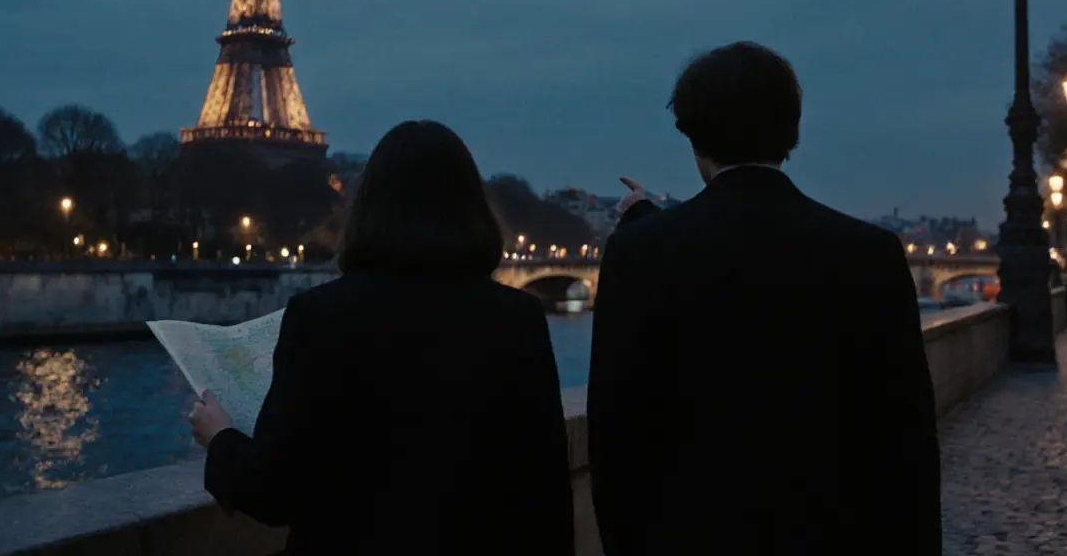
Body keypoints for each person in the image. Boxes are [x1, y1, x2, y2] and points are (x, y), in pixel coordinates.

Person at [588, 42, 941, 554]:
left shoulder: (639, 255)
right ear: (791, 132)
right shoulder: (870, 254)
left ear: (693, 137)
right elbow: (907, 442)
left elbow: (618, 440)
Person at [190, 120, 574, 555]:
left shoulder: (321, 317)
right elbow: (545, 488)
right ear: (473, 208)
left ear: (367, 207)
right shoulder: (519, 318)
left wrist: (220, 438)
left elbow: (276, 491)